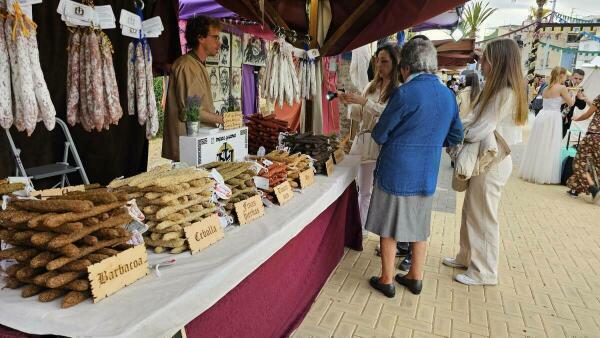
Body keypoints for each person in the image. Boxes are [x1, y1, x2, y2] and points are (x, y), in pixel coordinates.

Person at [366, 38, 463, 297]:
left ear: (405, 67)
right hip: (427, 172)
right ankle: (415, 277)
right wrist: (429, 144)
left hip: (396, 171)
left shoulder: (405, 93)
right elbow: (455, 136)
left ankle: (386, 279)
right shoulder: (448, 94)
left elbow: (381, 133)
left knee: (389, 226)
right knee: (420, 226)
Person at [443, 39, 529, 286]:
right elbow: (475, 121)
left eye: (486, 59)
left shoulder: (504, 93)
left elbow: (479, 127)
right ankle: (466, 256)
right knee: (472, 210)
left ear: (498, 62)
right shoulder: (499, 89)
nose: (482, 63)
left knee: (484, 216)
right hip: (488, 159)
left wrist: (456, 132)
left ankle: (484, 271)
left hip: (492, 160)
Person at [342, 44, 400, 238]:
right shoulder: (371, 86)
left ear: (395, 64)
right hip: (363, 142)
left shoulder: (398, 91)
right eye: (378, 60)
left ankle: (371, 229)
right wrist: (351, 103)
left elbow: (388, 115)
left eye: (384, 61)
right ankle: (360, 227)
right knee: (361, 187)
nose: (379, 65)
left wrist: (364, 102)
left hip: (381, 145)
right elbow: (360, 116)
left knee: (375, 190)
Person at [162, 16, 224, 161]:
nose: (218, 43)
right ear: (200, 38)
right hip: (187, 148)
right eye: (215, 37)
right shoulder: (187, 65)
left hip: (195, 143)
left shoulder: (196, 63)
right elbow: (191, 112)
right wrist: (222, 119)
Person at [520, 67, 575, 184]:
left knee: (538, 143)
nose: (566, 78)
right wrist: (572, 94)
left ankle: (533, 171)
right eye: (565, 76)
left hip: (543, 115)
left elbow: (554, 100)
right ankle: (544, 174)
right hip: (553, 117)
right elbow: (570, 103)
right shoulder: (562, 88)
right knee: (550, 144)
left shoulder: (545, 87)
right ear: (561, 76)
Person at [567, 93, 600, 201]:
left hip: (594, 136)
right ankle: (574, 189)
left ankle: (593, 188)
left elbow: (587, 114)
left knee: (579, 162)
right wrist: (586, 99)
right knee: (595, 166)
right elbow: (596, 106)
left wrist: (576, 118)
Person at [562, 69, 588, 137]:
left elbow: (582, 107)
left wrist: (580, 98)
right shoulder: (563, 85)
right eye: (576, 78)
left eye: (580, 79)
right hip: (557, 116)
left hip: (566, 120)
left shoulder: (579, 89)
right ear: (571, 77)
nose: (577, 81)